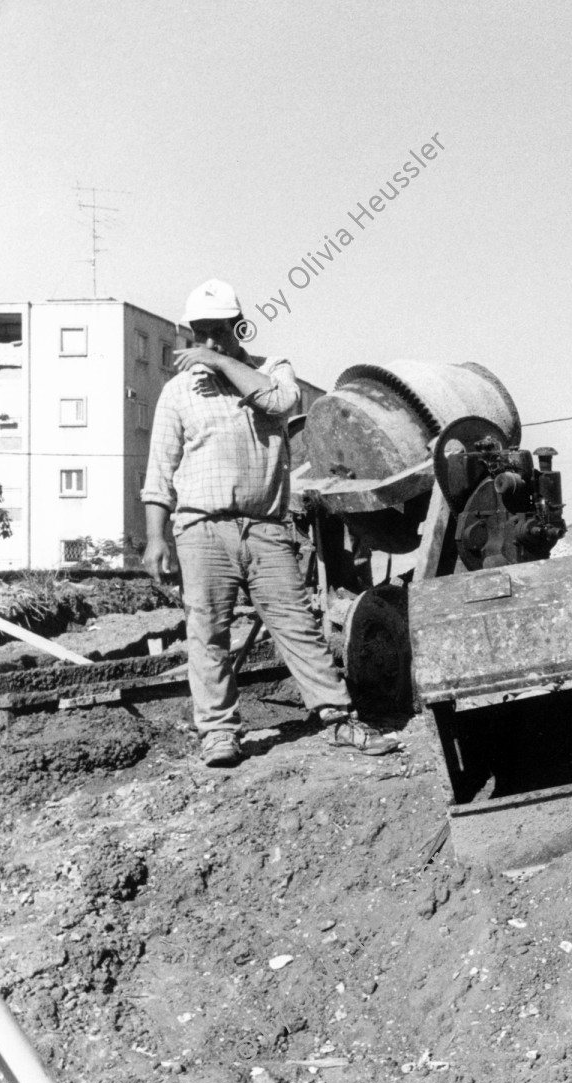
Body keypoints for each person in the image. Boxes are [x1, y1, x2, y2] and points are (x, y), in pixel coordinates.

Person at [142, 279, 398, 767]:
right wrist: (156, 538)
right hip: (201, 530)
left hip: (265, 526)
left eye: (220, 331)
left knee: (297, 624)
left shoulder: (272, 370)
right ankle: (219, 733)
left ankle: (338, 719)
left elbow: (282, 405)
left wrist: (220, 362)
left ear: (239, 326)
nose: (210, 343)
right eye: (201, 334)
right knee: (208, 633)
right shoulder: (177, 392)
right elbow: (159, 474)